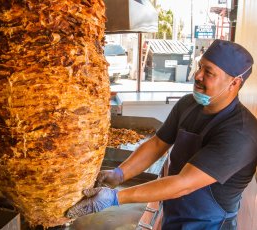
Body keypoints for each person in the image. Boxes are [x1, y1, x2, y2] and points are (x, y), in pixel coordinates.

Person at [66, 39, 257, 230]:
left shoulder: (240, 133)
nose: (197, 75)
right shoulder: (188, 104)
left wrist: (115, 197)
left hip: (209, 223)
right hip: (174, 213)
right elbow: (157, 144)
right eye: (200, 67)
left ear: (234, 83)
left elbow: (184, 184)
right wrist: (120, 174)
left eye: (208, 72)